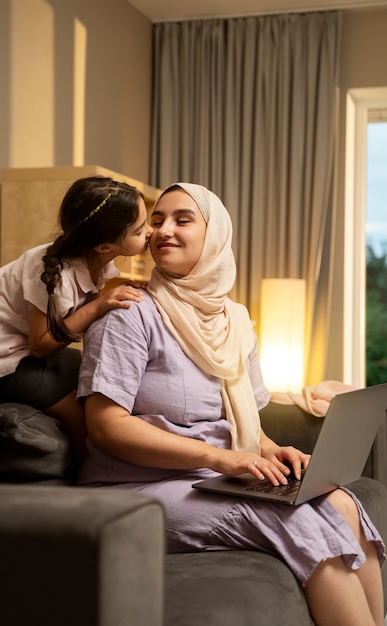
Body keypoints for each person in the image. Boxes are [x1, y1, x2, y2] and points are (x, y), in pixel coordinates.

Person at [77, 182, 385, 625]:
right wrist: (220, 459)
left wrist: (271, 450)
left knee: (341, 503)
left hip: (210, 477)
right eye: (157, 220)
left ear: (215, 235)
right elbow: (107, 427)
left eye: (183, 220)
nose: (164, 230)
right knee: (298, 522)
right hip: (131, 488)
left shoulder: (234, 322)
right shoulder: (129, 311)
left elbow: (247, 427)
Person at [0, 176, 153, 462]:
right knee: (80, 419)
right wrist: (98, 306)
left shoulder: (95, 261)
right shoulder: (54, 275)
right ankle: (85, 475)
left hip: (21, 348)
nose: (151, 232)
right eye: (140, 229)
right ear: (104, 246)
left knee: (86, 373)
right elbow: (41, 345)